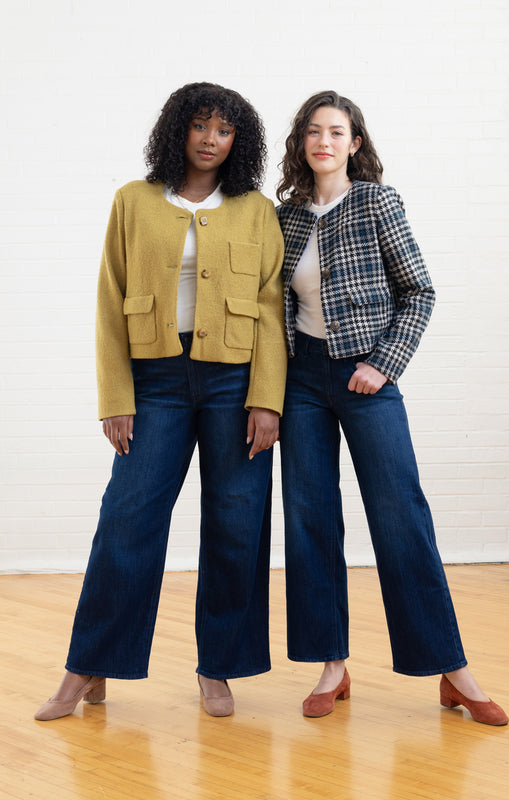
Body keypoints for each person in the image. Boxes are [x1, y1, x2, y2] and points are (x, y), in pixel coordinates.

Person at [35, 82, 287, 721]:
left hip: (235, 385)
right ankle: (88, 666)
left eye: (224, 130)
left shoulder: (255, 209)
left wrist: (267, 400)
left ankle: (218, 668)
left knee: (236, 524)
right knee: (128, 520)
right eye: (200, 125)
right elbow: (107, 299)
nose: (210, 139)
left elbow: (269, 309)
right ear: (178, 129)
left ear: (239, 141)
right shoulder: (134, 201)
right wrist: (115, 395)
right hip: (155, 384)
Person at [275, 90, 508, 725]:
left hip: (366, 379)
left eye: (337, 131)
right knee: (310, 518)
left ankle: (451, 670)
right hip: (301, 383)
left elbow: (419, 291)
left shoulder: (378, 201)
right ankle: (331, 664)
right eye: (313, 131)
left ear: (355, 143)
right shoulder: (287, 216)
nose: (324, 140)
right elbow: (278, 307)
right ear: (302, 143)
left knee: (400, 515)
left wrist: (383, 363)